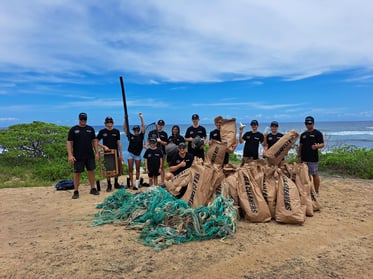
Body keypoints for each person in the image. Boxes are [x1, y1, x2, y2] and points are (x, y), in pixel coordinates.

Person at [67, 112, 100, 199]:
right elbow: (69, 142)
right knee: (77, 173)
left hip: (89, 155)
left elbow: (94, 141)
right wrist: (70, 155)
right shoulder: (73, 129)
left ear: (86, 119)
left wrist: (97, 152)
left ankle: (93, 188)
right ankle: (76, 191)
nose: (83, 120)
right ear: (79, 119)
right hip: (78, 156)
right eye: (81, 119)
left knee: (91, 171)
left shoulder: (90, 129)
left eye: (84, 119)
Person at [298, 116, 324, 194]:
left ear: (313, 123)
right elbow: (301, 146)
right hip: (304, 158)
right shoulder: (303, 134)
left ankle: (316, 191)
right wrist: (299, 156)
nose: (308, 125)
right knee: (306, 176)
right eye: (307, 123)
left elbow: (322, 144)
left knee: (314, 175)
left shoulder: (318, 133)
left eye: (310, 123)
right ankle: (309, 191)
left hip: (313, 158)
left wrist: (317, 146)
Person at [97, 116, 124, 192]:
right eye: (108, 122)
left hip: (115, 153)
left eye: (110, 122)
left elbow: (119, 143)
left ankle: (116, 183)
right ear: (105, 123)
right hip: (107, 153)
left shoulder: (116, 131)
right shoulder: (102, 132)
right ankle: (109, 185)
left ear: (113, 123)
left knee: (117, 168)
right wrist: (103, 146)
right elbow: (96, 141)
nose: (109, 123)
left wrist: (121, 154)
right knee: (108, 169)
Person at [123, 112, 145, 190]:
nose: (136, 131)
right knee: (130, 169)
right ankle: (132, 184)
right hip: (130, 154)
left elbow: (143, 127)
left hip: (138, 155)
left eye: (137, 130)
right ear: (133, 131)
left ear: (138, 130)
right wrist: (125, 119)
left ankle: (136, 184)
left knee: (138, 169)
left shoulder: (141, 136)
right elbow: (125, 129)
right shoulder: (131, 136)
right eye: (135, 130)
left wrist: (141, 118)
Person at [146, 119, 168, 186]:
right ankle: (152, 183)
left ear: (163, 126)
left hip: (162, 152)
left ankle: (162, 182)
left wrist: (160, 141)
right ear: (157, 125)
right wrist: (146, 145)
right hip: (152, 152)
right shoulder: (152, 132)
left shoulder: (164, 134)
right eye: (159, 125)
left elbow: (166, 143)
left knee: (161, 167)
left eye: (161, 125)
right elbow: (148, 141)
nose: (160, 126)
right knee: (152, 167)